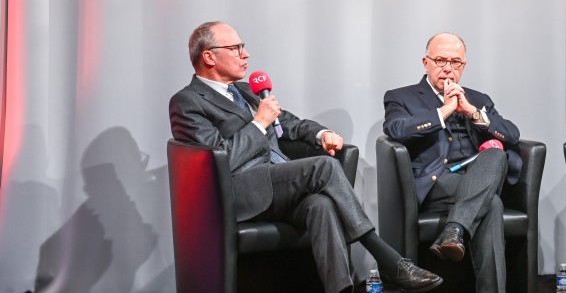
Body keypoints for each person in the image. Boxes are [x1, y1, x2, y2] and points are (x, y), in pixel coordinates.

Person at [169, 21, 442, 293]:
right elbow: (219, 160)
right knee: (323, 166)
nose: (245, 54)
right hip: (241, 193)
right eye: (235, 47)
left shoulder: (244, 91)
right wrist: (258, 124)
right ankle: (388, 260)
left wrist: (321, 134)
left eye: (243, 46)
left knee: (320, 204)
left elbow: (289, 122)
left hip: (280, 186)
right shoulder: (188, 102)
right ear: (209, 56)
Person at [382, 33, 522, 293]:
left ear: (464, 66)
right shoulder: (401, 96)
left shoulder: (478, 99)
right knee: (492, 203)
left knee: (495, 154)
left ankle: (454, 229)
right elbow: (396, 129)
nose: (448, 67)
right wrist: (444, 111)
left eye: (455, 62)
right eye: (440, 60)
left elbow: (512, 134)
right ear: (426, 62)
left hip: (478, 176)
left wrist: (470, 111)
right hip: (437, 182)